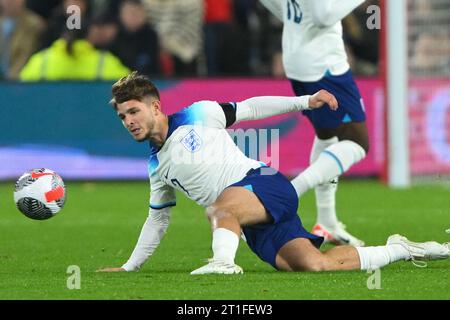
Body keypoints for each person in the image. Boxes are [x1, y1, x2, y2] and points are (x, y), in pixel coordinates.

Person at [98, 72, 448, 274]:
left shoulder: (199, 113)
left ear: (155, 106)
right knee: (314, 266)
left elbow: (250, 108)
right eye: (122, 117)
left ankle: (222, 263)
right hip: (249, 219)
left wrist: (303, 101)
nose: (129, 121)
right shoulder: (156, 167)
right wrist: (130, 267)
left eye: (133, 111)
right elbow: (157, 220)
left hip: (263, 184)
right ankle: (401, 249)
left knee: (219, 209)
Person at [260, 0, 372, 247]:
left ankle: (327, 222)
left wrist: (293, 19)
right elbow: (323, 16)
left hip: (298, 60)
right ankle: (291, 192)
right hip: (324, 65)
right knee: (357, 142)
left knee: (327, 137)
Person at [19, 25, 130, 81]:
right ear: (89, 36)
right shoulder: (104, 62)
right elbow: (130, 86)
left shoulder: (42, 60)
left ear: (63, 35)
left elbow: (21, 90)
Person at [0, 0, 45, 80]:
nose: (9, 2)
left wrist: (9, 81)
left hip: (21, 82)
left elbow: (26, 55)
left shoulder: (34, 25)